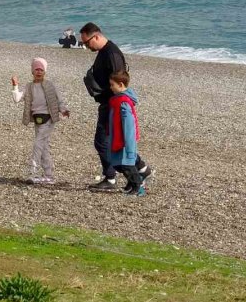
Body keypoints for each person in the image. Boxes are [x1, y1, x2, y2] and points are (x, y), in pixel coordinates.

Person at [79, 22, 151, 192]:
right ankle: (141, 170)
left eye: (87, 43)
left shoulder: (112, 54)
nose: (86, 46)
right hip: (109, 103)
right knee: (114, 143)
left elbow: (120, 83)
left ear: (96, 36)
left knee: (103, 143)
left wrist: (116, 107)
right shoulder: (105, 52)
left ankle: (113, 178)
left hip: (113, 105)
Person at [11, 58, 69, 185]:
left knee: (37, 144)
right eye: (36, 69)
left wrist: (63, 110)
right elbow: (17, 99)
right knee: (44, 147)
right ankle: (49, 175)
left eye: (41, 70)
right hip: (37, 119)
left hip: (49, 118)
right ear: (32, 71)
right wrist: (15, 85)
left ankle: (32, 173)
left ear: (45, 71)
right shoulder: (29, 86)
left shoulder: (50, 85)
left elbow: (59, 99)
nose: (38, 72)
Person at [107, 70, 147, 196]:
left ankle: (138, 185)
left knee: (127, 165)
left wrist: (129, 142)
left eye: (112, 85)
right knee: (119, 165)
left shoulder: (123, 101)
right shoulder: (117, 100)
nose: (111, 87)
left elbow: (129, 124)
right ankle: (131, 184)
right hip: (118, 137)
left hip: (124, 139)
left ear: (121, 84)